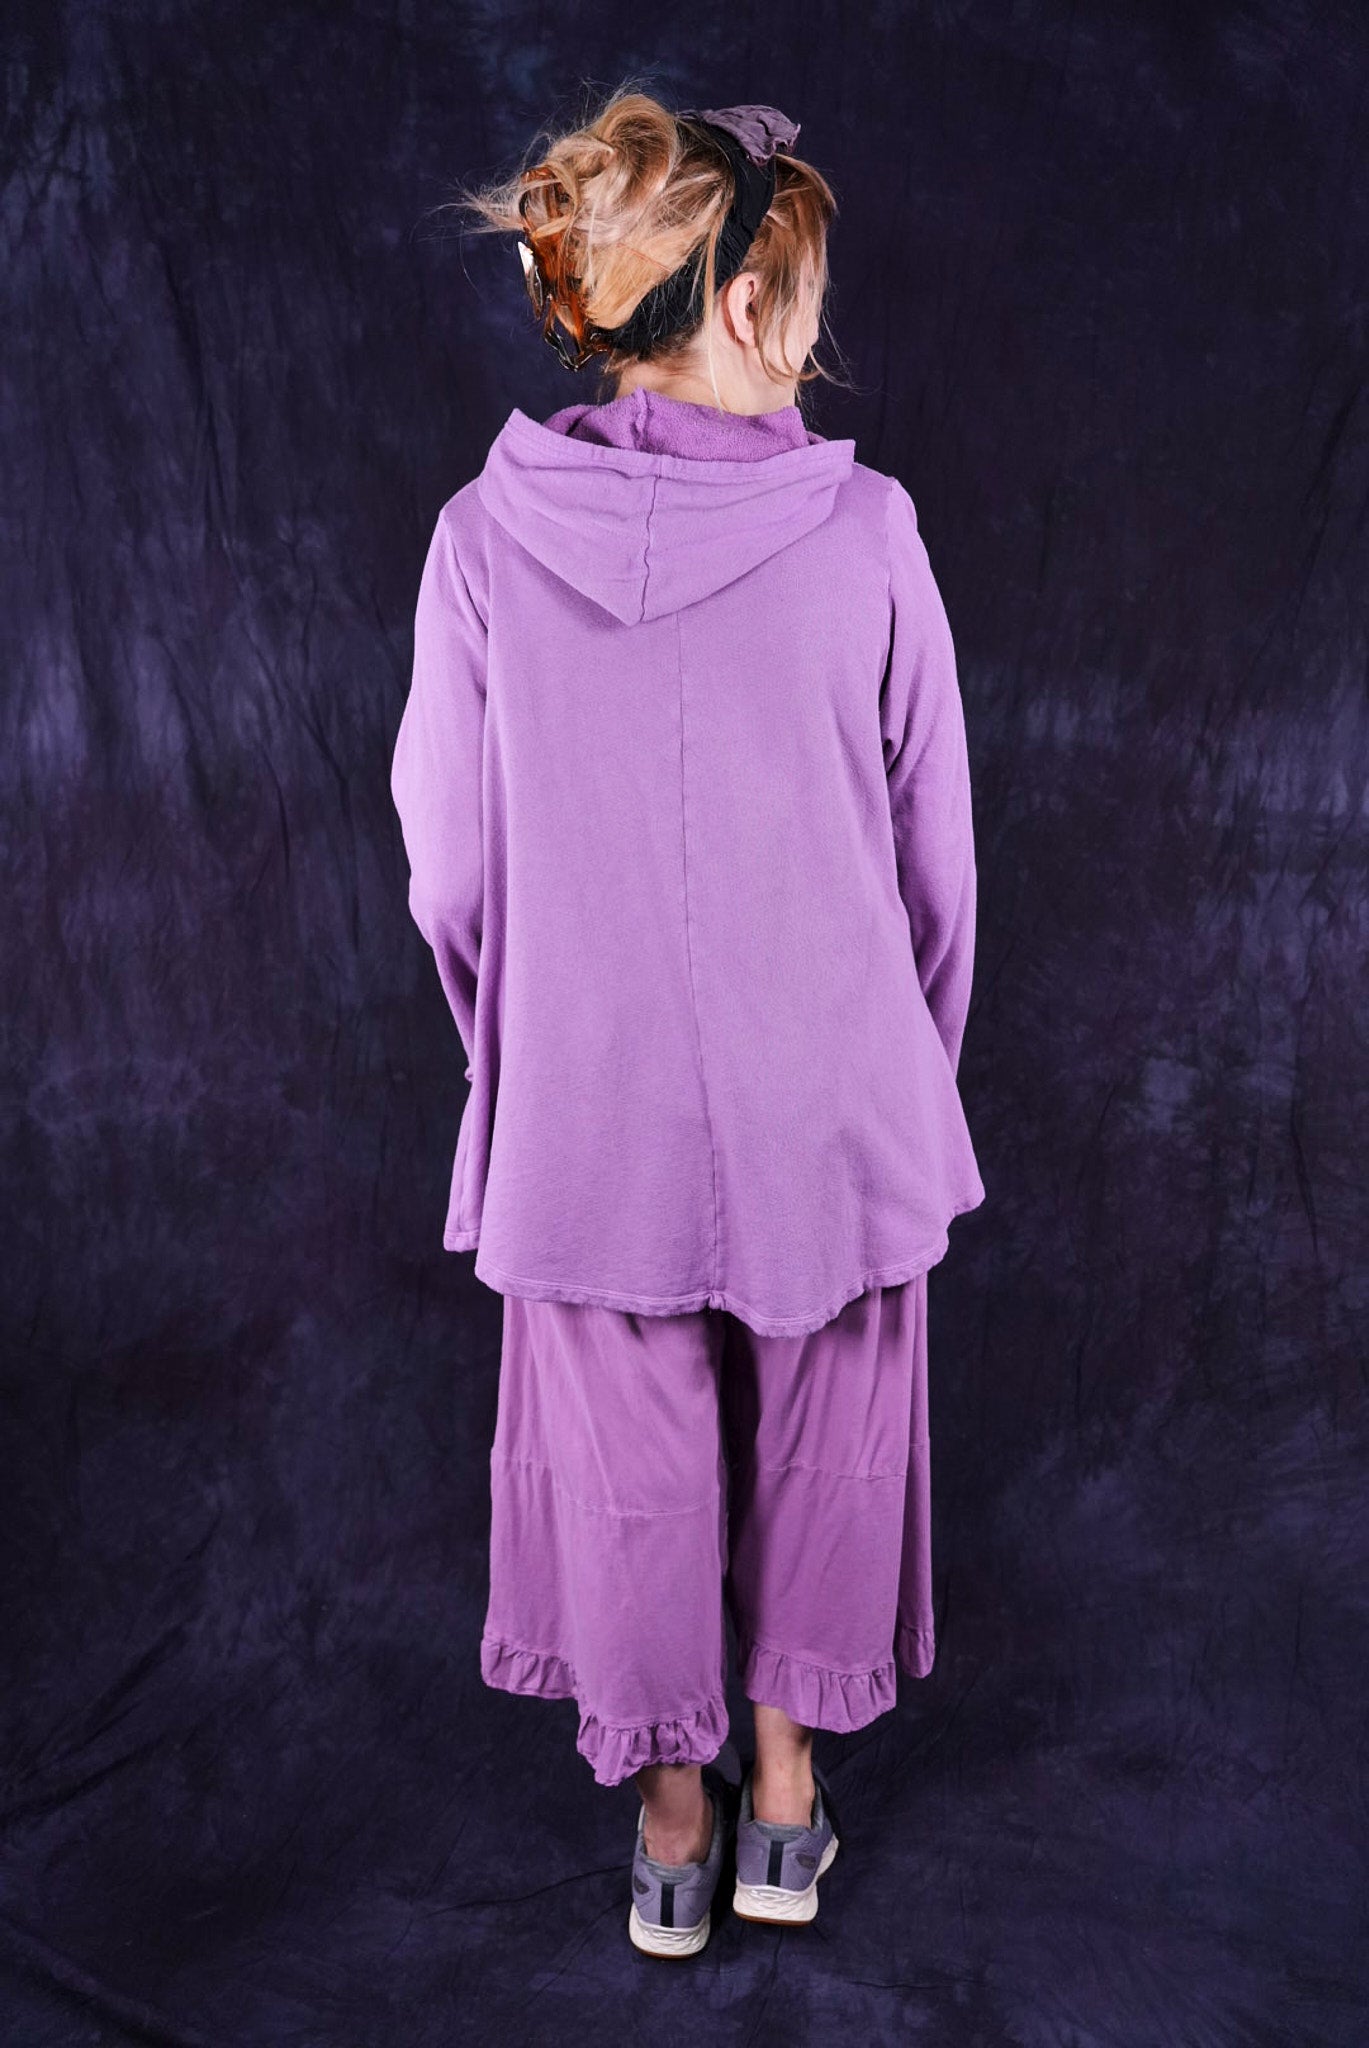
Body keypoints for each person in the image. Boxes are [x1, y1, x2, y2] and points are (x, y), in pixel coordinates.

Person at [390, 86, 986, 1957]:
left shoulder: (481, 540)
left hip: (587, 1102)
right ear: (737, 305)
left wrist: (525, 1061)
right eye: (796, 299)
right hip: (832, 1088)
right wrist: (903, 1076)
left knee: (627, 1467)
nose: (810, 337)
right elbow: (936, 868)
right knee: (830, 1429)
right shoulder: (867, 532)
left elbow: (445, 870)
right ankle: (782, 1805)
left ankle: (668, 1826)